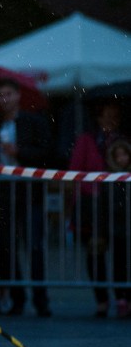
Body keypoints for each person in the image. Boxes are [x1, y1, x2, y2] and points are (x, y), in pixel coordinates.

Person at [0, 78, 53, 317]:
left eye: (8, 93)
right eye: (0, 95)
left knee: (34, 247)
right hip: (4, 192)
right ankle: (17, 298)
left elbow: (48, 153)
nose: (4, 99)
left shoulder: (32, 121)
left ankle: (41, 300)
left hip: (29, 193)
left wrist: (21, 152)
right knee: (7, 247)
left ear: (18, 95)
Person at [68, 101, 125, 317]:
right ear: (98, 118)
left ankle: (123, 298)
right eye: (107, 115)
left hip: (117, 207)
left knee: (121, 253)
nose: (111, 120)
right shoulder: (86, 140)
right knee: (95, 253)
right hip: (92, 206)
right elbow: (75, 171)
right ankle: (101, 299)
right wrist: (94, 189)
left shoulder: (123, 141)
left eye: (115, 116)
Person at [105, 138, 130, 318]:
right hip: (118, 228)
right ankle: (121, 299)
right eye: (118, 155)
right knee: (119, 264)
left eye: (125, 154)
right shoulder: (110, 178)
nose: (122, 159)